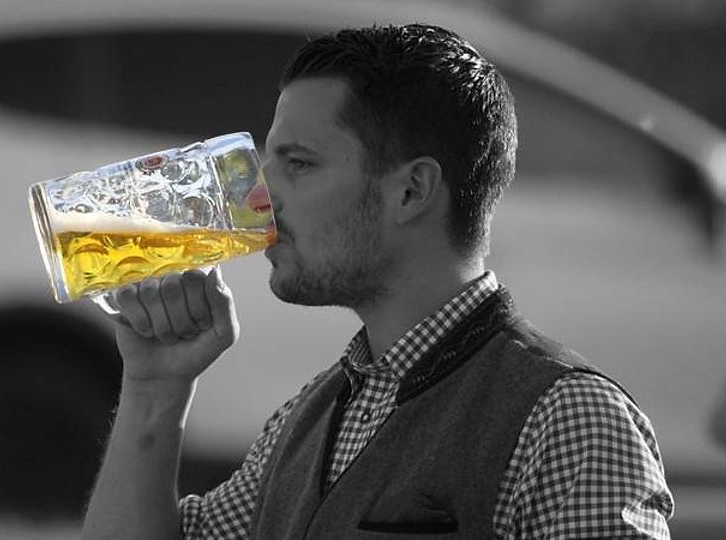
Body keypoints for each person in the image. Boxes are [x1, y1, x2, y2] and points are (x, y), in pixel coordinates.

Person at [82, 24, 674, 539]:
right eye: (267, 163)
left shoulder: (570, 419)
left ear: (411, 191)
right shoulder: (307, 418)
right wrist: (154, 389)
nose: (261, 199)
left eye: (299, 164)